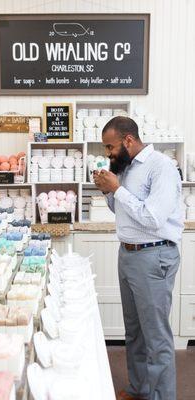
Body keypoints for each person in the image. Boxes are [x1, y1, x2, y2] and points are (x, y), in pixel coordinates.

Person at [94, 117, 183, 400]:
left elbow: (153, 218)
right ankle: (139, 389)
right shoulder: (127, 167)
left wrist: (117, 189)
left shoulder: (162, 167)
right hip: (129, 254)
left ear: (128, 140)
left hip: (154, 255)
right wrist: (109, 191)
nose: (108, 153)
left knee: (156, 337)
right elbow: (125, 210)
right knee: (134, 331)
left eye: (110, 147)